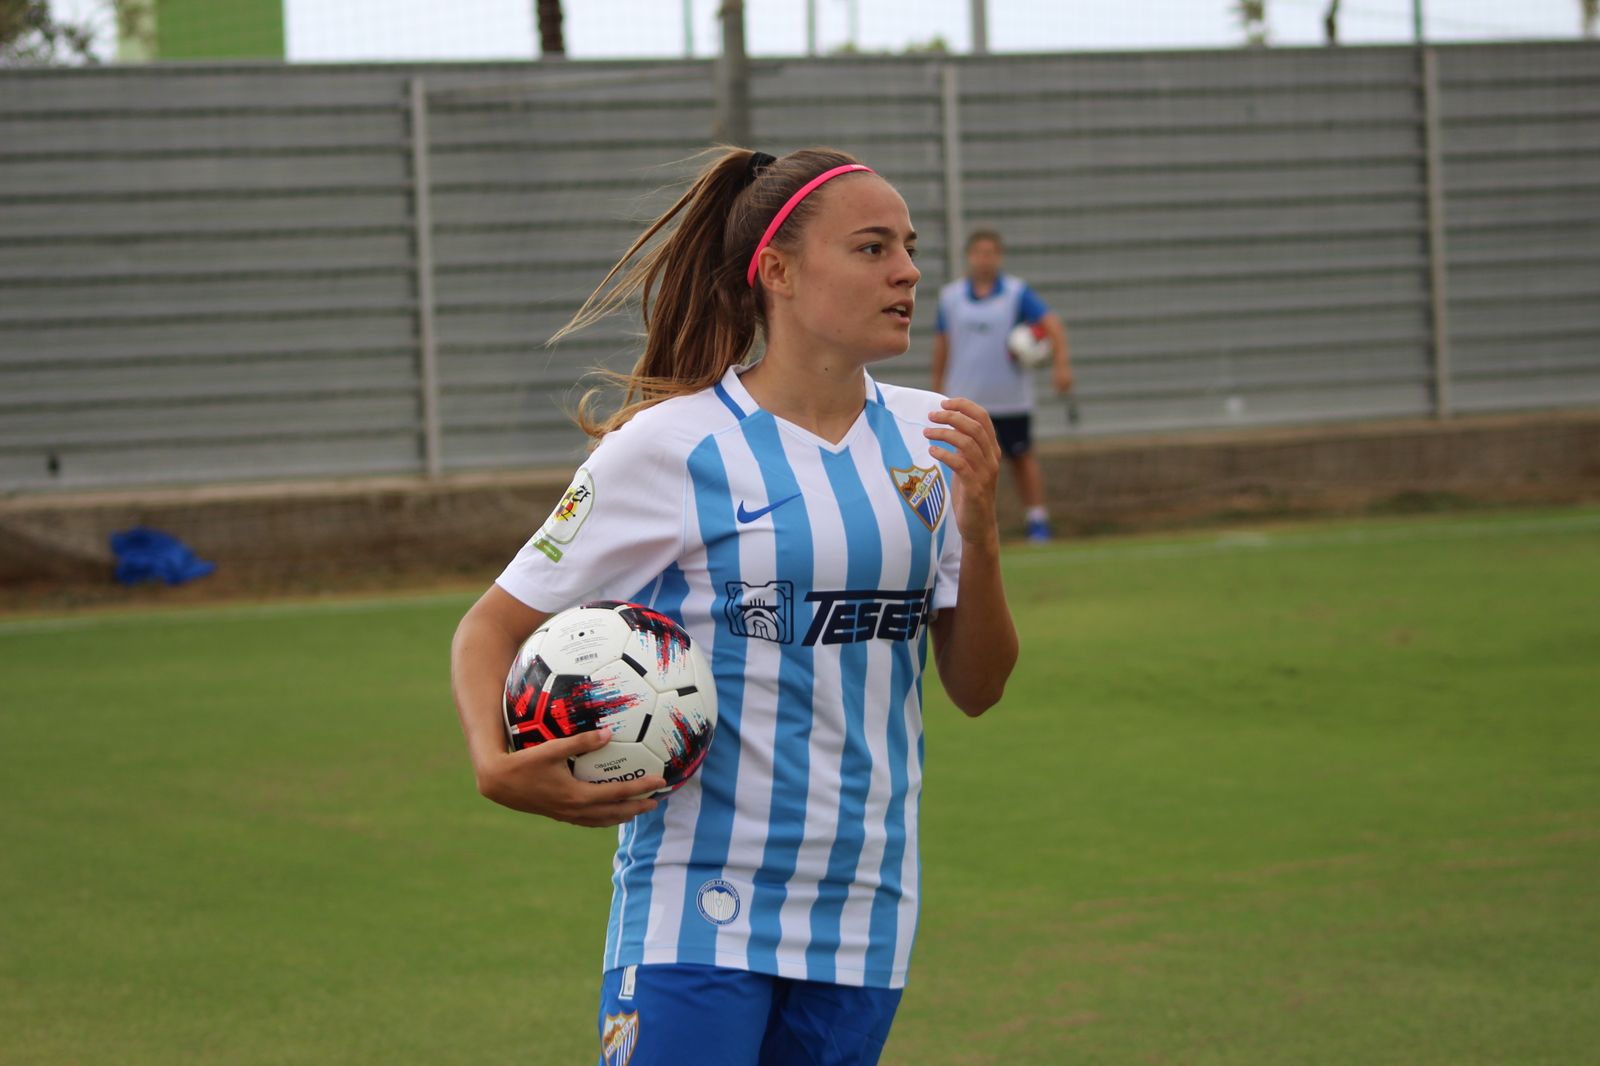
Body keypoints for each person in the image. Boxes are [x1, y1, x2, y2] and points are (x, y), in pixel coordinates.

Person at [449, 147, 1019, 1065]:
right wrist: (493, 760)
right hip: (697, 901)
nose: (909, 270)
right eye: (873, 248)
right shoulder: (669, 447)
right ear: (779, 272)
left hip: (864, 905)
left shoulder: (936, 437)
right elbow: (492, 626)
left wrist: (983, 528)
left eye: (909, 247)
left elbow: (979, 687)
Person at [930, 229, 1072, 543]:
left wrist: (1061, 365)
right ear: (969, 257)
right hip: (965, 398)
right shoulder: (951, 297)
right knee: (959, 464)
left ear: (999, 256)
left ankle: (1037, 519)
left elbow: (1053, 326)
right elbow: (942, 343)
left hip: (1010, 398)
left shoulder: (1016, 293)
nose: (984, 259)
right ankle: (956, 525)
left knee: (1021, 458)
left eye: (991, 252)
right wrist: (936, 387)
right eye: (979, 252)